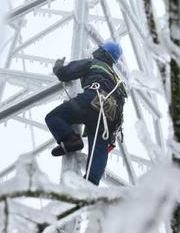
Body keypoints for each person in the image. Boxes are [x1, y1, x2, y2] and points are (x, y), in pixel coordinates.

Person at [44, 41, 127, 185]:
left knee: (53, 117)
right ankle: (91, 185)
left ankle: (71, 139)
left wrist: (58, 67)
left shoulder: (94, 63)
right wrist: (112, 136)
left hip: (91, 101)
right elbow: (121, 109)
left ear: (102, 52)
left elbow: (65, 74)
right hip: (110, 117)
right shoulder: (118, 81)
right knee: (99, 148)